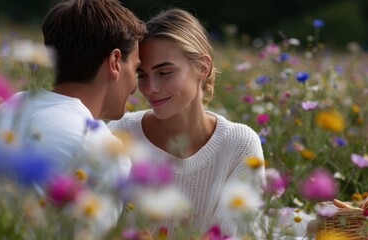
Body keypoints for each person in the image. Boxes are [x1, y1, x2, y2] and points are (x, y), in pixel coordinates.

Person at [0, 0, 145, 234]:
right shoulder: (105, 149)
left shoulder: (15, 104)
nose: (135, 86)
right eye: (136, 69)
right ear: (114, 62)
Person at [108, 8, 265, 238]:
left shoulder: (239, 145)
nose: (150, 88)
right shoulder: (120, 135)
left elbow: (240, 234)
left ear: (203, 68)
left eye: (165, 72)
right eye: (142, 75)